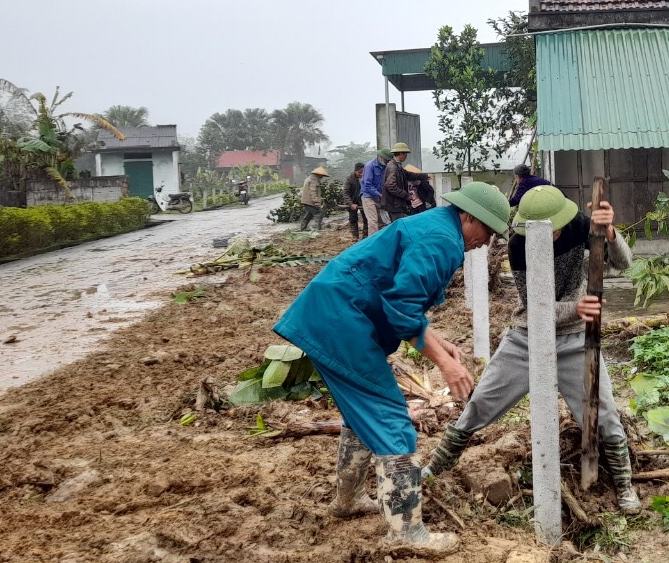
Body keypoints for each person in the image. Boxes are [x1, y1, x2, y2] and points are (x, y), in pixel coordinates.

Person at [272, 182, 511, 556]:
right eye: (488, 232)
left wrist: (438, 340)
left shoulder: (437, 227)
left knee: (362, 416)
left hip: (335, 316)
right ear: (468, 217)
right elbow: (401, 309)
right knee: (392, 422)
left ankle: (347, 501)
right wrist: (445, 363)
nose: (487, 243)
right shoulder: (442, 241)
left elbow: (402, 301)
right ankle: (406, 532)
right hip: (340, 324)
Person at [423, 185, 641, 512]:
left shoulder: (582, 226)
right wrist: (574, 308)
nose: (546, 236)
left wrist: (609, 232)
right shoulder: (519, 245)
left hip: (575, 338)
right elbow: (535, 308)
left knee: (603, 414)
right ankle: (434, 469)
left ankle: (625, 486)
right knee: (480, 404)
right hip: (525, 338)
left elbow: (624, 263)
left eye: (552, 230)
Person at [383, 142, 432, 223]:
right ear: (401, 154)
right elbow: (391, 186)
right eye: (405, 154)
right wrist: (406, 195)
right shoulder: (393, 167)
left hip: (397, 204)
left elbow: (409, 175)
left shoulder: (397, 166)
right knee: (399, 226)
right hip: (394, 204)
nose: (406, 156)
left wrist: (424, 176)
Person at [360, 149, 392, 234]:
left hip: (379, 197)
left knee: (383, 220)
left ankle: (381, 240)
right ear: (381, 157)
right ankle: (372, 243)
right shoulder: (369, 166)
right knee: (373, 221)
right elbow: (367, 185)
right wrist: (380, 195)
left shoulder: (385, 167)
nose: (388, 162)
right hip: (368, 196)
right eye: (386, 160)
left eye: (389, 160)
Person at [299, 166, 328, 232]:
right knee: (319, 213)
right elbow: (313, 191)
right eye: (322, 175)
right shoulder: (314, 180)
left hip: (306, 200)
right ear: (319, 174)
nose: (322, 177)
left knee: (309, 214)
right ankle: (318, 228)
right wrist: (316, 202)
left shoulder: (310, 178)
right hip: (310, 201)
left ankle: (303, 228)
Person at [345, 162, 367, 239]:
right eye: (359, 172)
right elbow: (346, 194)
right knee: (353, 219)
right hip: (353, 200)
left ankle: (365, 237)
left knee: (366, 219)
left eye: (363, 172)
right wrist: (351, 204)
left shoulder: (366, 177)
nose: (361, 174)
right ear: (355, 171)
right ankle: (355, 237)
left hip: (363, 201)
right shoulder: (350, 179)